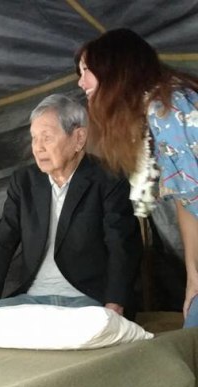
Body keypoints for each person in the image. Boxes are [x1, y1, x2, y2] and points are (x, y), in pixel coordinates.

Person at [0, 94, 142, 315]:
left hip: (87, 301)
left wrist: (114, 306)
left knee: (85, 327)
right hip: (32, 300)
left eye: (47, 137)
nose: (38, 147)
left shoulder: (108, 178)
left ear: (78, 138)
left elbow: (122, 245)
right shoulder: (25, 181)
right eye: (33, 138)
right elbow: (3, 240)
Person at [75, 28, 198, 327]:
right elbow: (187, 201)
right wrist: (193, 279)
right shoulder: (154, 112)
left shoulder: (169, 109)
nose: (80, 82)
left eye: (86, 71)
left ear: (115, 68)